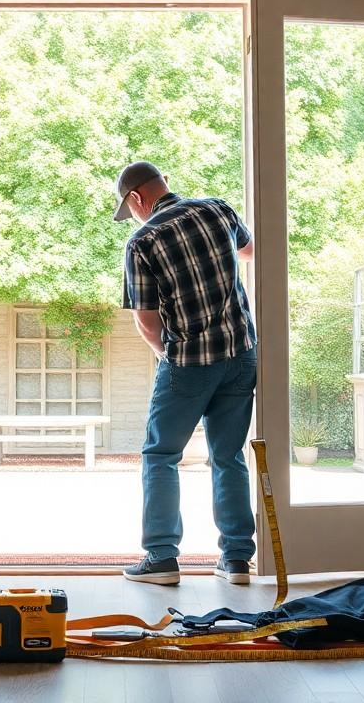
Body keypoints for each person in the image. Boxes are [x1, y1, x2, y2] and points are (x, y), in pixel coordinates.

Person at [113, 160, 257, 586]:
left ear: (137, 199)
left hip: (189, 364)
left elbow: (147, 320)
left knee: (161, 456)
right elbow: (250, 252)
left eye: (130, 209)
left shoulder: (142, 241)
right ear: (166, 184)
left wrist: (167, 356)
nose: (133, 217)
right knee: (228, 456)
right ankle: (236, 561)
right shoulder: (218, 209)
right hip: (240, 354)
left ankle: (161, 558)